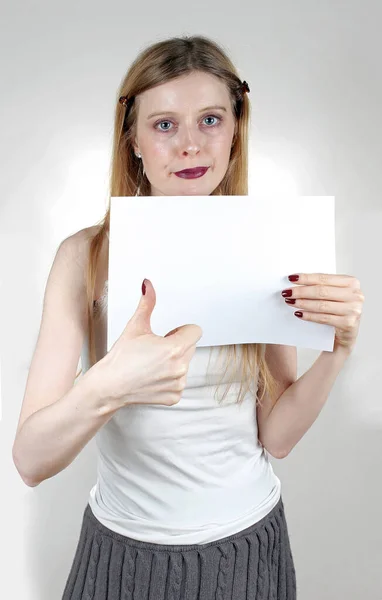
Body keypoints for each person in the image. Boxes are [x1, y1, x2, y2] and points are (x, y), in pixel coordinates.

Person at [12, 35, 364, 600]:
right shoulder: (84, 257)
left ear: (235, 130)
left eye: (210, 119)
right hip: (122, 555)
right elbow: (30, 461)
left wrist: (338, 349)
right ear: (132, 139)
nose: (191, 146)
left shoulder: (268, 248)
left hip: (247, 552)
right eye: (165, 125)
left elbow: (277, 437)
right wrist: (107, 385)